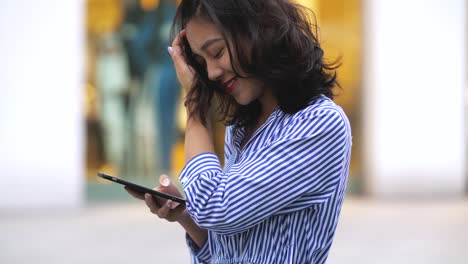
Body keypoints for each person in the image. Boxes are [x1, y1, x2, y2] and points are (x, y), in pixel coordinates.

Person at [125, 0, 352, 263]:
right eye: (200, 61)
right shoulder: (242, 126)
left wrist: (195, 104)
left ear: (257, 30)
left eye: (217, 52)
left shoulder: (319, 123)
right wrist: (186, 214)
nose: (210, 73)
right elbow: (231, 251)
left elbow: (216, 209)